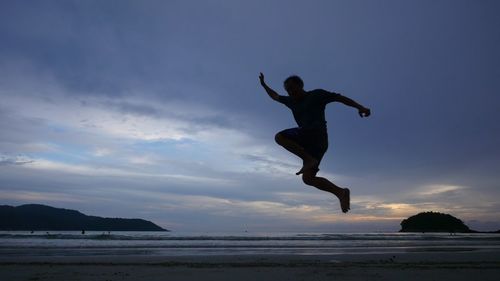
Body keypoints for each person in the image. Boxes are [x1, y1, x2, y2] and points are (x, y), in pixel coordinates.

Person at [259, 72, 371, 213]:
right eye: (288, 90)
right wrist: (264, 85)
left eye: (293, 88)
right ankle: (340, 192)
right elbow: (274, 96)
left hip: (316, 136)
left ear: (301, 86)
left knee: (279, 137)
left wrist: (360, 107)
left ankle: (308, 160)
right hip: (313, 144)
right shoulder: (291, 101)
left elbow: (340, 98)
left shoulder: (316, 95)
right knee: (308, 179)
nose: (291, 92)